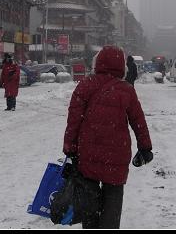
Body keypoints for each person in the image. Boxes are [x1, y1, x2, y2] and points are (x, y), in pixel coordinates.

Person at [63, 46, 153, 229]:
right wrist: (145, 147)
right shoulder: (126, 90)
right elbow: (138, 121)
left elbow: (73, 121)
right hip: (117, 155)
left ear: (99, 63)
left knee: (89, 199)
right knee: (113, 198)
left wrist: (70, 149)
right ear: (122, 66)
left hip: (88, 153)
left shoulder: (85, 86)